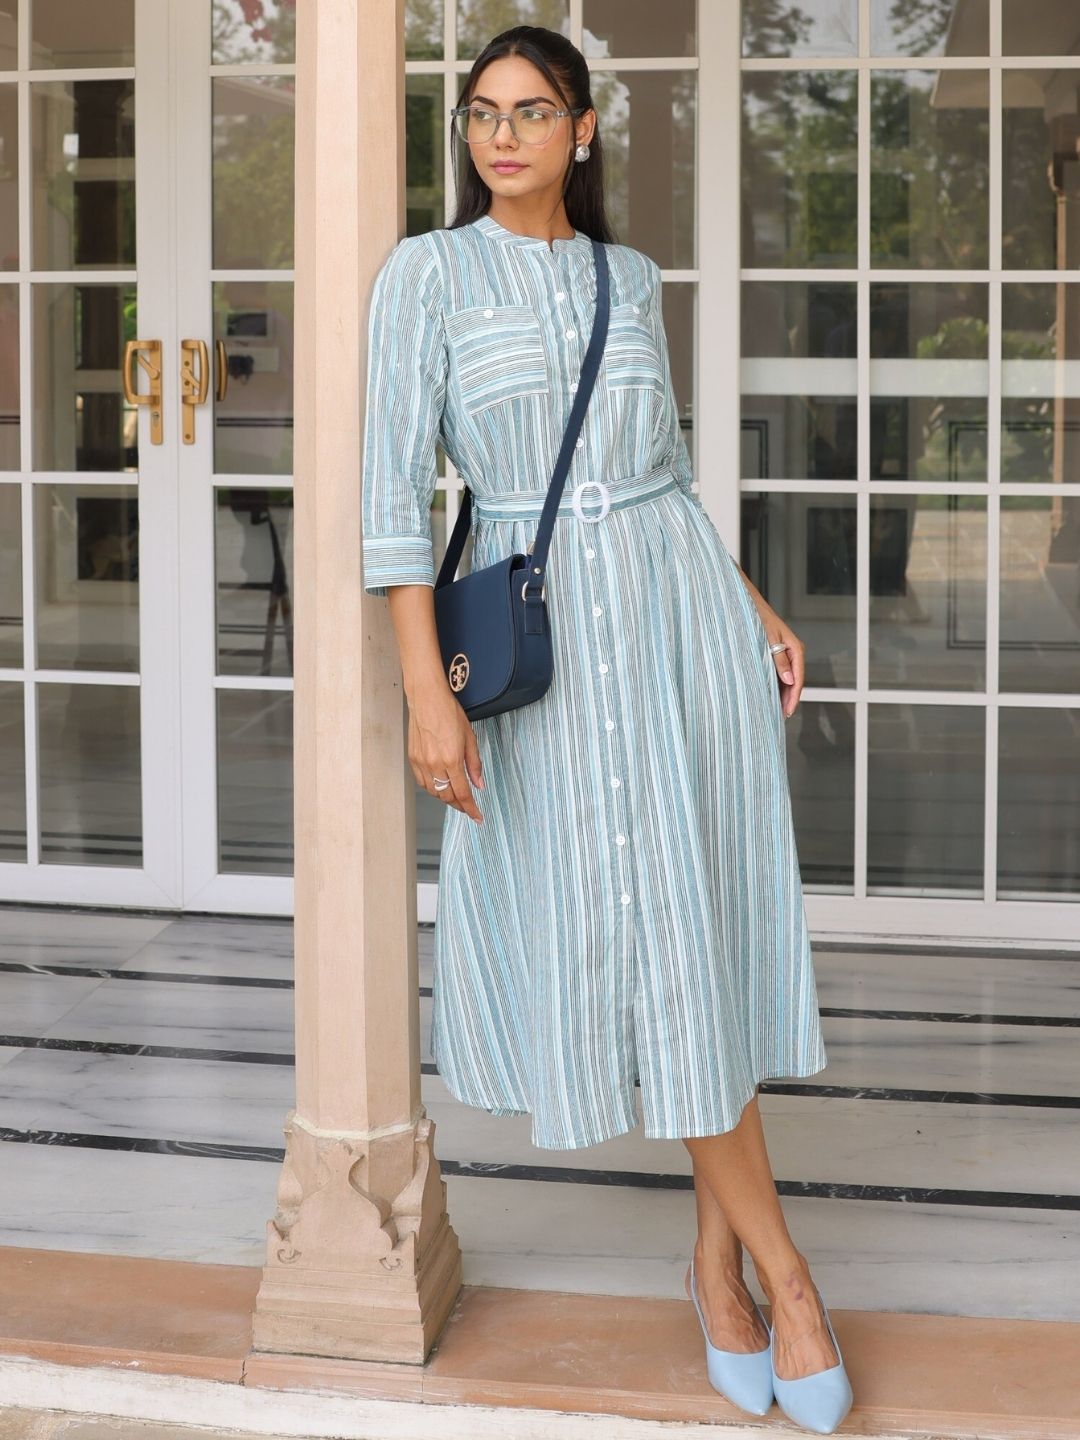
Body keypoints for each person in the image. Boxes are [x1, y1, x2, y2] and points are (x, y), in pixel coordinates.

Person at [361, 24, 853, 1436]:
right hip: (550, 657)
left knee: (694, 939)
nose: (502, 136)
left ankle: (719, 1269)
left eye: (533, 112)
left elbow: (667, 475)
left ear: (583, 129)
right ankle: (786, 1275)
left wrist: (754, 606)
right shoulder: (428, 275)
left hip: (677, 633)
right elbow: (391, 503)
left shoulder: (627, 279)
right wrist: (426, 692)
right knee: (641, 946)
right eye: (482, 113)